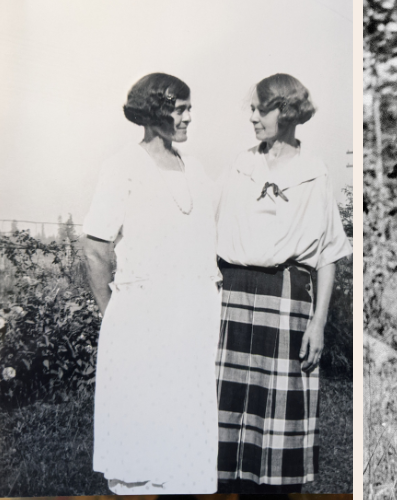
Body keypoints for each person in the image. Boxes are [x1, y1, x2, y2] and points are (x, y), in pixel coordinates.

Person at [215, 74, 352, 493]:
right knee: (225, 424)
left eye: (261, 109)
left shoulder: (314, 172)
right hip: (232, 296)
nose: (253, 118)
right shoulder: (241, 165)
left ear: (286, 111)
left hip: (288, 299)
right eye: (252, 110)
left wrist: (318, 322)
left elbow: (328, 254)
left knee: (276, 430)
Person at [83, 73, 219, 494]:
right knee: (145, 436)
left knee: (186, 434)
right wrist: (116, 316)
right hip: (143, 321)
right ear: (154, 111)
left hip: (194, 318)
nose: (189, 118)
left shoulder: (195, 168)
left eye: (190, 108)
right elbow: (95, 249)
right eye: (181, 109)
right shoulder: (122, 167)